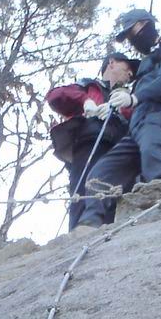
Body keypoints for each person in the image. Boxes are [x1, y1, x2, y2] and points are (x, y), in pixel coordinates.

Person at [74, 7, 161, 228]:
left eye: (131, 32)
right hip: (136, 127)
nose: (131, 39)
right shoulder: (147, 62)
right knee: (101, 172)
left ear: (145, 24)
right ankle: (90, 222)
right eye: (127, 36)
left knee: (152, 152)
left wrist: (134, 97)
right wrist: (119, 105)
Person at [46, 53, 137, 228]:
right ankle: (79, 233)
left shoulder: (127, 98)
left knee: (117, 197)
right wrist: (86, 101)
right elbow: (55, 96)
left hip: (121, 150)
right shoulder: (89, 87)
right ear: (111, 63)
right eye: (127, 67)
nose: (130, 74)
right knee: (84, 192)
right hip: (90, 143)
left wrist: (127, 104)